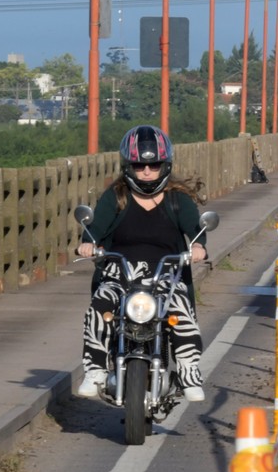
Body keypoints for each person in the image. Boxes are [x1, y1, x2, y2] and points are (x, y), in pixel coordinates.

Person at [73, 125, 209, 402]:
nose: (147, 172)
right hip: (119, 272)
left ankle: (188, 371)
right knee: (101, 304)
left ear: (165, 164)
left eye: (154, 165)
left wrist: (198, 246)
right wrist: (88, 243)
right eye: (139, 165)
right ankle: (95, 370)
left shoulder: (177, 199)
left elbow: (196, 228)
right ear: (128, 165)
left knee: (180, 308)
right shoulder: (116, 197)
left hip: (166, 274)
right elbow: (95, 227)